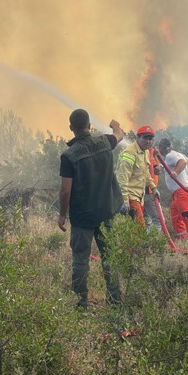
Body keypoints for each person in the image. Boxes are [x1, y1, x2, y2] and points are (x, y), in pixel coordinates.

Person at [58, 109, 123, 309]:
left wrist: (62, 215)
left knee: (80, 260)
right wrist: (115, 125)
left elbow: (65, 191)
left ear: (71, 128)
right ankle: (115, 301)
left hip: (82, 217)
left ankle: (81, 304)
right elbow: (119, 135)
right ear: (90, 125)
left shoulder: (68, 156)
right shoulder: (105, 142)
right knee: (110, 257)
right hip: (106, 213)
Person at [157, 137, 188, 243]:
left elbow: (182, 162)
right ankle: (182, 240)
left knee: (187, 217)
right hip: (177, 193)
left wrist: (176, 173)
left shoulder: (170, 156)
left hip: (181, 192)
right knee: (175, 216)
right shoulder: (178, 154)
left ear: (161, 148)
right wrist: (183, 175)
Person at [115, 125, 160, 224]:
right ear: (138, 137)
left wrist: (153, 188)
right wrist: (125, 201)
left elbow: (146, 174)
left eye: (150, 138)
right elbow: (122, 179)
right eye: (145, 138)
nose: (148, 141)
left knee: (134, 231)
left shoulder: (146, 152)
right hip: (130, 197)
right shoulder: (130, 153)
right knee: (139, 231)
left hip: (139, 197)